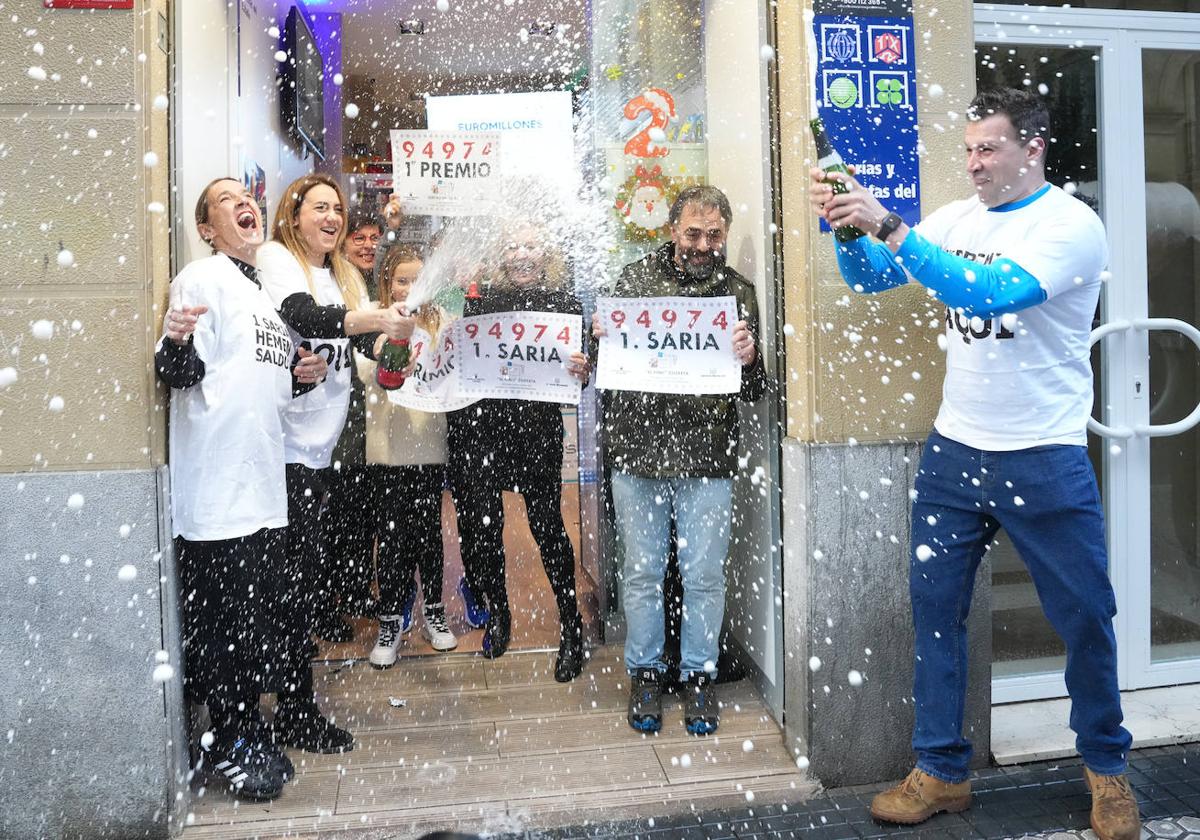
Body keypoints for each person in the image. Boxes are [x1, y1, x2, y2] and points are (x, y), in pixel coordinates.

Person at [808, 87, 1139, 840]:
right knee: (935, 617)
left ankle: (1109, 771)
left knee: (1085, 616)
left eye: (988, 149)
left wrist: (888, 223)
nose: (974, 163)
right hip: (955, 455)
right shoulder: (959, 218)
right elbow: (871, 279)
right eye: (967, 150)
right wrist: (846, 229)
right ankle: (942, 772)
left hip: (1044, 458)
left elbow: (990, 293)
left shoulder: (1072, 226)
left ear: (1035, 148)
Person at [155, 177, 328, 800]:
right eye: (226, 201)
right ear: (207, 229)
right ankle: (226, 739)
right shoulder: (201, 281)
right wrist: (173, 340)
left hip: (261, 490)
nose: (244, 202)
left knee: (253, 625)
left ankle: (248, 728)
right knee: (221, 629)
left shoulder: (264, 297)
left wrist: (303, 375)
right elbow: (181, 371)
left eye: (246, 195)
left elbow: (266, 386)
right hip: (216, 497)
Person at [596, 185, 765, 736]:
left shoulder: (738, 294)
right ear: (672, 230)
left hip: (707, 457)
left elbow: (755, 389)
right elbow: (602, 365)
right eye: (692, 233)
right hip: (637, 452)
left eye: (714, 234)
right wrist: (599, 338)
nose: (703, 244)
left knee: (704, 576)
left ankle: (699, 675)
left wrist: (751, 356)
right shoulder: (634, 283)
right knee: (641, 572)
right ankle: (645, 673)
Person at [257, 173, 415, 754]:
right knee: (291, 587)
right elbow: (307, 317)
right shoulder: (278, 260)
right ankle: (293, 711)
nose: (331, 217)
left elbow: (357, 343)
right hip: (288, 450)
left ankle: (293, 700)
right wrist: (371, 319)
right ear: (293, 215)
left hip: (320, 449)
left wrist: (397, 335)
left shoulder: (341, 274)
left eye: (336, 210)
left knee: (301, 580)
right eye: (319, 207)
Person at [445, 220, 592, 680]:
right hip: (478, 429)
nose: (522, 254)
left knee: (548, 527)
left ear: (545, 252)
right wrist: (452, 291)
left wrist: (584, 367)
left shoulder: (564, 304)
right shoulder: (473, 300)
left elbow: (582, 375)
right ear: (498, 255)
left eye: (531, 245)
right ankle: (499, 611)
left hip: (535, 430)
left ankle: (572, 627)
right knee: (480, 531)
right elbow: (440, 341)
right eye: (512, 245)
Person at [361, 243, 459, 668]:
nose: (409, 289)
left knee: (429, 536)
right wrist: (387, 347)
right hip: (386, 448)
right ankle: (391, 620)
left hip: (429, 446)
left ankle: (434, 613)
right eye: (402, 280)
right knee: (393, 538)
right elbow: (371, 374)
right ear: (387, 283)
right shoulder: (371, 321)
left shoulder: (445, 325)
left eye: (418, 281)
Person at [318, 209, 390, 642]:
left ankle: (357, 587)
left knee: (363, 511)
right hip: (338, 417)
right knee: (336, 515)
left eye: (373, 238)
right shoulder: (336, 284)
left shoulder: (376, 283)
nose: (366, 244)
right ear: (343, 243)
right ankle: (324, 602)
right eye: (358, 237)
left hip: (372, 417)